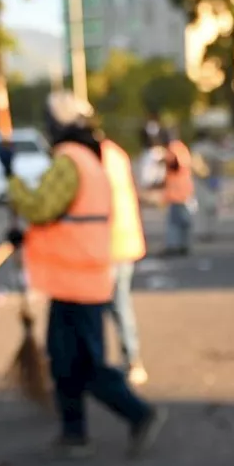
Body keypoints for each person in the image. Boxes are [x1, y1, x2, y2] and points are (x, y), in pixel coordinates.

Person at [1, 91, 167, 458]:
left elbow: (42, 206)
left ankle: (138, 414)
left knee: (84, 363)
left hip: (77, 279)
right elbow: (65, 217)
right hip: (78, 276)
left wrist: (11, 178)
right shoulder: (94, 157)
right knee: (65, 360)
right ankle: (73, 432)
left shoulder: (70, 161)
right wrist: (25, 236)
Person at [99, 130, 150, 386]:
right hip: (124, 239)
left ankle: (129, 361)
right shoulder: (115, 153)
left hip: (108, 243)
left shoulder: (95, 157)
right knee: (120, 303)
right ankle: (131, 359)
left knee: (111, 305)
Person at [161, 130, 195, 256]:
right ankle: (183, 245)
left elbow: (174, 165)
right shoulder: (181, 148)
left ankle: (173, 246)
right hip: (184, 190)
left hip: (177, 193)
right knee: (183, 221)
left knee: (175, 222)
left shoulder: (173, 149)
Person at [191, 130, 223, 242]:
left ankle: (202, 231)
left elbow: (193, 166)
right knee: (212, 207)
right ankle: (212, 230)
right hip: (212, 179)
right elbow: (218, 164)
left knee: (201, 208)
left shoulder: (195, 148)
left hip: (199, 181)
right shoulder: (213, 148)